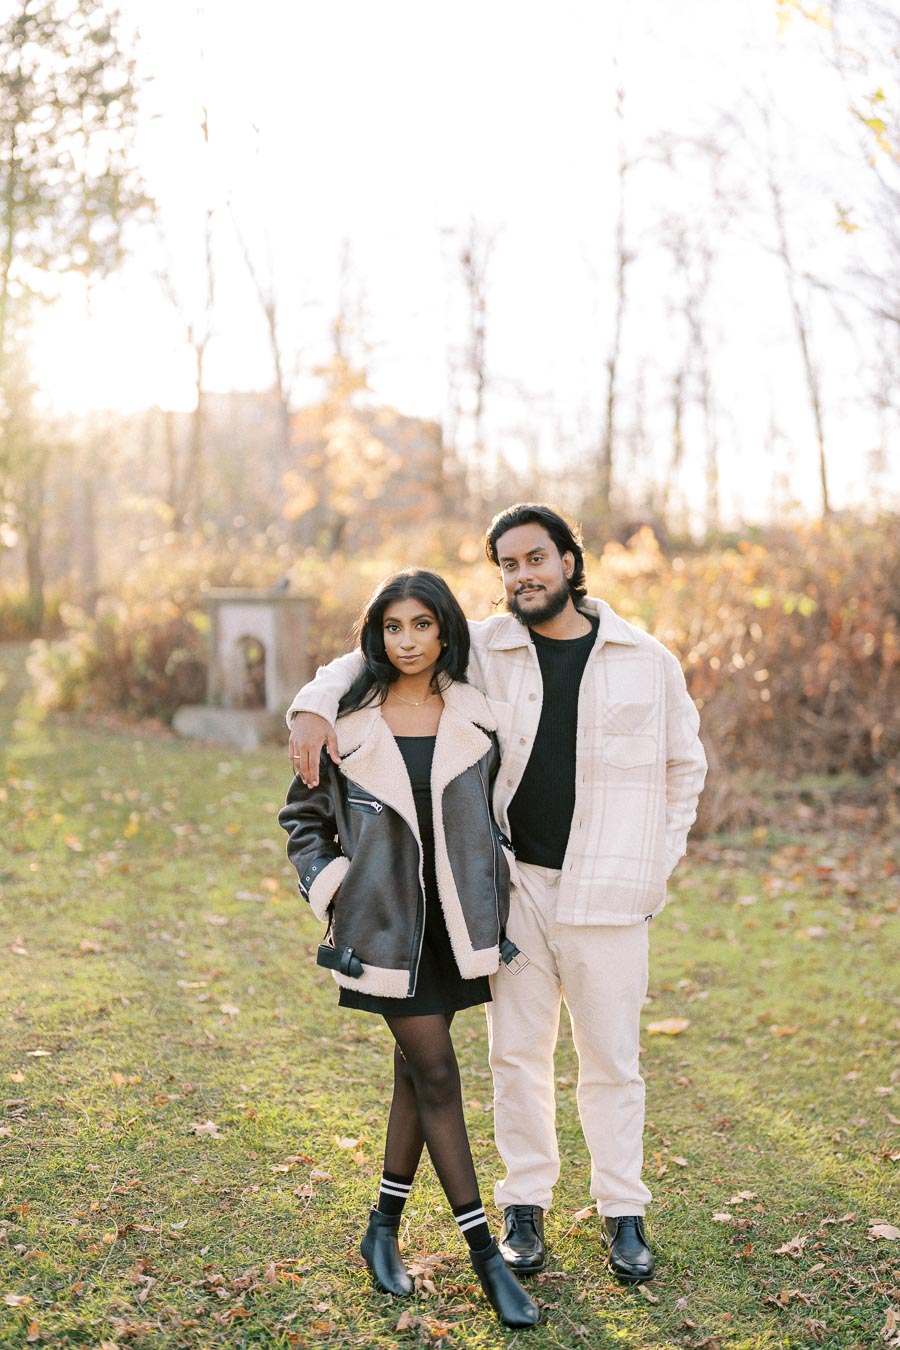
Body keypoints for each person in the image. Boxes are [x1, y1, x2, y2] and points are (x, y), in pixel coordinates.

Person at [287, 505, 707, 1285]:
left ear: (571, 563)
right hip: (511, 891)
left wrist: (655, 864)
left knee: (612, 1060)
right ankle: (525, 1209)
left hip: (612, 895)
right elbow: (381, 651)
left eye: (536, 559)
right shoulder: (487, 650)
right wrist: (315, 702)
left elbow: (686, 767)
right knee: (516, 1055)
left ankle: (623, 1213)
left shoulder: (647, 660)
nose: (523, 576)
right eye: (508, 565)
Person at [278, 568, 539, 1329]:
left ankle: (381, 1230)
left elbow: (499, 810)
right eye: (393, 627)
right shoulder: (345, 722)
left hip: (457, 930)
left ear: (444, 628)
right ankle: (487, 1257)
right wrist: (334, 889)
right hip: (384, 928)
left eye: (421, 624)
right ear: (377, 636)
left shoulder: (478, 714)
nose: (408, 641)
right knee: (438, 1072)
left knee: (414, 1078)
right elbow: (301, 819)